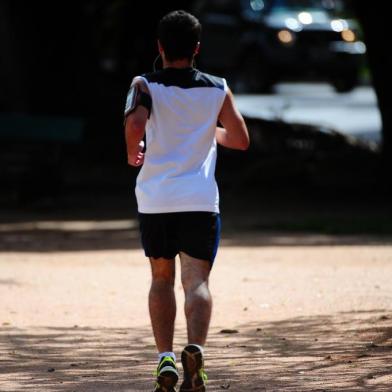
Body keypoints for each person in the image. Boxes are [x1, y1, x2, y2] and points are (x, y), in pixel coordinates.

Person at [124, 10, 249, 392]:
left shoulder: (144, 84)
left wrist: (134, 151)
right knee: (197, 282)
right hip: (199, 200)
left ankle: (165, 358)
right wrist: (207, 129)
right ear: (197, 48)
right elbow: (241, 139)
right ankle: (195, 350)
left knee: (161, 279)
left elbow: (135, 123)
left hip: (157, 198)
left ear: (159, 47)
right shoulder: (217, 88)